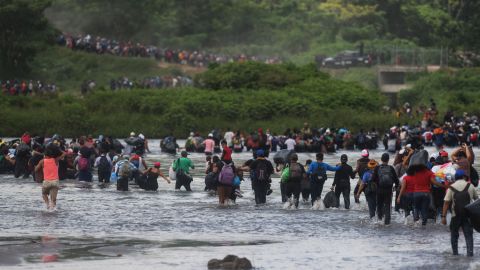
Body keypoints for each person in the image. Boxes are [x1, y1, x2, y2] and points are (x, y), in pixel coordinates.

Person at [442, 170, 478, 256]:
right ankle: (470, 254)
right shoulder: (470, 186)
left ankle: (455, 254)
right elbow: (476, 200)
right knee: (468, 235)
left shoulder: (451, 187)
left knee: (454, 235)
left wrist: (443, 216)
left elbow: (446, 202)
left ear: (455, 178)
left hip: (455, 215)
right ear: (464, 177)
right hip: (468, 216)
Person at [371, 153, 399, 225]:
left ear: (381, 159)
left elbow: (372, 179)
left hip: (379, 190)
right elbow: (396, 180)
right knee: (387, 205)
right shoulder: (391, 168)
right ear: (388, 160)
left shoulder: (377, 168)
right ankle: (387, 223)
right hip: (388, 191)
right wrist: (395, 187)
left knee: (379, 205)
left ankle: (380, 221)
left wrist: (375, 185)